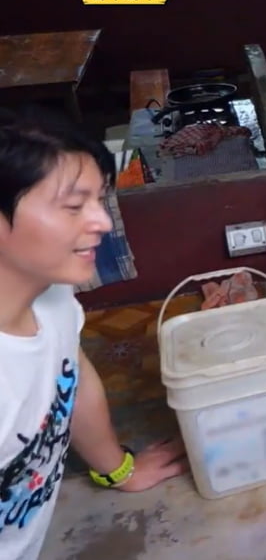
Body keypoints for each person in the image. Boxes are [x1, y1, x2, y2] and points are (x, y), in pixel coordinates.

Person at [0, 106, 187, 559]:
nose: (102, 222)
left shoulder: (53, 299)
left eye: (99, 200)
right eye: (72, 206)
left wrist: (118, 469)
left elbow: (70, 377)